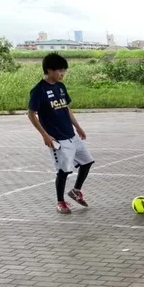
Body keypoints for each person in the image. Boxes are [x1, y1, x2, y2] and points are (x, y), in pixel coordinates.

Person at [27, 52, 94, 214]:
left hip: (71, 135)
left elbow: (66, 108)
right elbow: (31, 113)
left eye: (64, 70)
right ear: (49, 70)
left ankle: (76, 191)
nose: (62, 74)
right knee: (64, 171)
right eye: (59, 71)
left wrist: (78, 127)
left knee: (87, 162)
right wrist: (45, 135)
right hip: (57, 139)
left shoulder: (61, 86)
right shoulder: (39, 90)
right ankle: (60, 202)